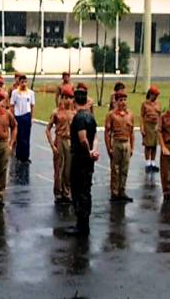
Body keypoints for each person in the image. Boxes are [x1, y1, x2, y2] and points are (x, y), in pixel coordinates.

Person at [63, 87, 99, 236]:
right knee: (86, 190)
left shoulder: (79, 118)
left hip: (80, 158)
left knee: (79, 191)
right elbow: (95, 137)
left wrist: (88, 151)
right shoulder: (91, 117)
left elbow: (83, 138)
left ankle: (81, 225)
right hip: (88, 159)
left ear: (74, 101)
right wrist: (94, 151)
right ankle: (84, 224)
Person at [45, 87, 74, 205]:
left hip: (70, 141)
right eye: (65, 98)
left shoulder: (74, 113)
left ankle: (67, 192)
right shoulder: (56, 112)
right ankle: (58, 192)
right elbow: (47, 129)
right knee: (59, 168)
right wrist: (52, 145)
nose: (67, 101)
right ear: (61, 98)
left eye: (70, 98)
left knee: (69, 168)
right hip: (60, 140)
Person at [105, 90, 134, 202]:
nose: (123, 102)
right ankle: (115, 192)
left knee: (124, 169)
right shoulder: (111, 115)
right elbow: (107, 132)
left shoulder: (130, 114)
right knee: (115, 169)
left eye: (125, 100)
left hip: (126, 143)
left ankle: (122, 190)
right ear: (116, 101)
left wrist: (132, 146)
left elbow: (131, 132)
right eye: (120, 100)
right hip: (116, 142)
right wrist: (109, 148)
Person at [10, 74, 35, 163]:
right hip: (18, 116)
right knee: (19, 137)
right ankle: (19, 155)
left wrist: (32, 118)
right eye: (22, 82)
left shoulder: (31, 93)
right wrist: (13, 117)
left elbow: (32, 106)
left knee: (26, 137)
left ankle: (26, 156)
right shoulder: (15, 92)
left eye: (25, 82)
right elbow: (12, 105)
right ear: (19, 82)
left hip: (27, 116)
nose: (23, 84)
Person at [141, 85, 162, 173]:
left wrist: (160, 126)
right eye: (155, 95)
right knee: (148, 145)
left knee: (154, 145)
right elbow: (142, 116)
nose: (156, 97)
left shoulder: (158, 104)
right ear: (151, 94)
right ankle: (147, 163)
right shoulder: (145, 104)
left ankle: (153, 163)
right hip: (148, 125)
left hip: (155, 126)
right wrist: (142, 128)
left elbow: (160, 115)